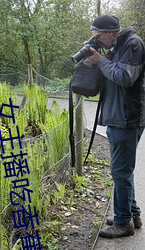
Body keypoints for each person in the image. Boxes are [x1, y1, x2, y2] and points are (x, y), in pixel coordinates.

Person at [87, 15, 145, 238]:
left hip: (127, 118)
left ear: (111, 32)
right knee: (122, 171)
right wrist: (97, 60)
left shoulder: (133, 44)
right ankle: (132, 214)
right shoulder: (116, 46)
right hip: (117, 117)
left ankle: (123, 223)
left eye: (99, 37)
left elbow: (124, 77)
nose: (98, 41)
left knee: (120, 171)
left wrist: (100, 61)